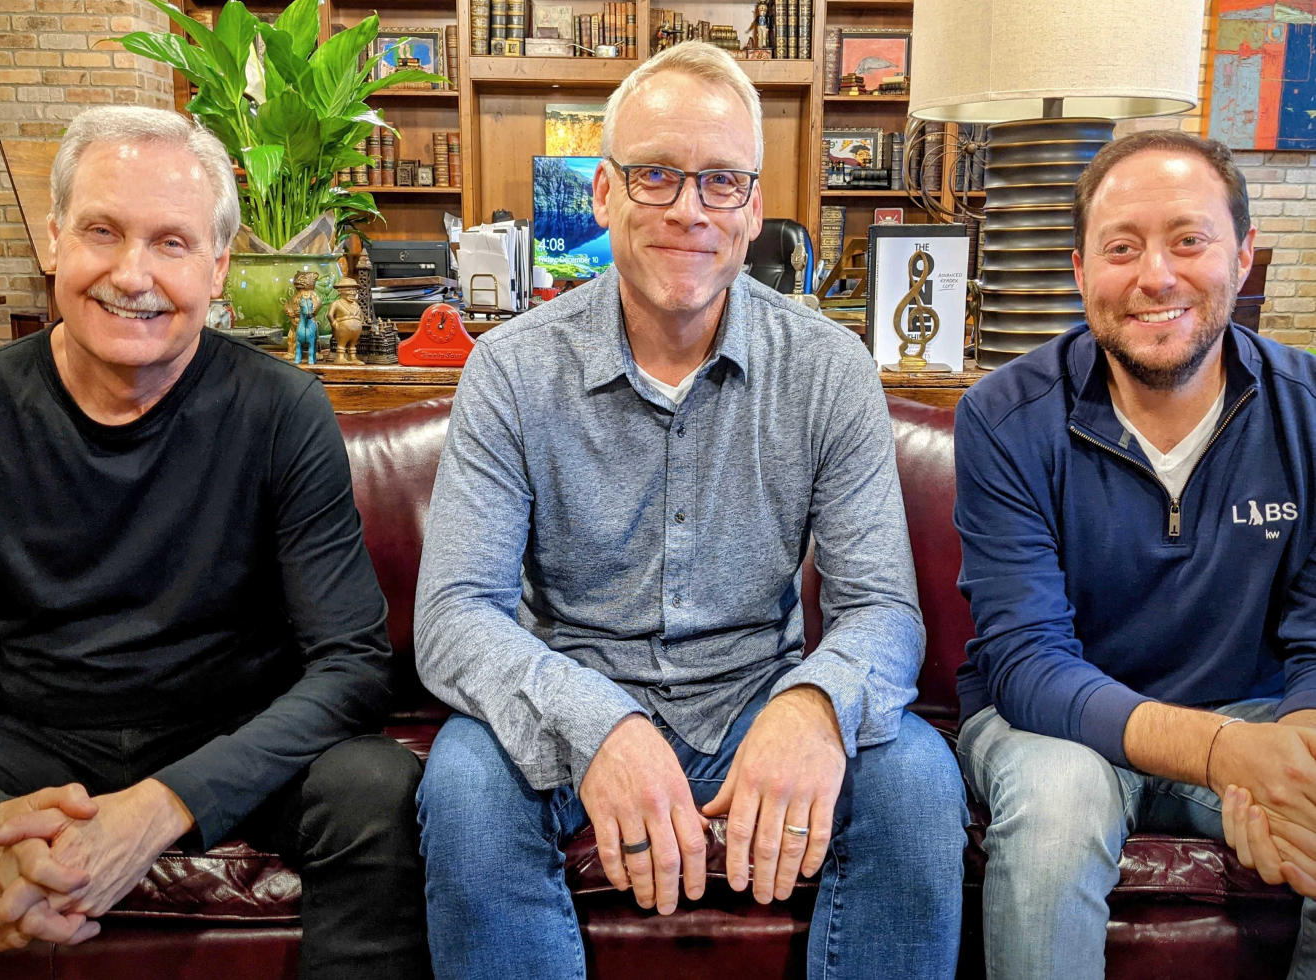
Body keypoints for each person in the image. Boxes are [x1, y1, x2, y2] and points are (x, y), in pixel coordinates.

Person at [414, 40, 966, 980]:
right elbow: (455, 616)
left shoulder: (828, 370)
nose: (687, 209)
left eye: (721, 182)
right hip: (572, 698)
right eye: (656, 175)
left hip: (757, 697)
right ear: (603, 194)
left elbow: (883, 610)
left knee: (916, 777)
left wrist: (815, 707)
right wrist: (600, 724)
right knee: (463, 780)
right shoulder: (509, 370)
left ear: (753, 209)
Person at [0, 106, 429, 978]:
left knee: (376, 790)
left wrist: (164, 806)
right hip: (30, 737)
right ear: (53, 240)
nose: (134, 274)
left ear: (219, 265)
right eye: (101, 232)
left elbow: (352, 666)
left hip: (231, 734)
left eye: (172, 242)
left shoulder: (282, 410)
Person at [953, 129, 1316, 980]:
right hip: (1049, 728)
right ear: (1081, 273)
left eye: (1189, 240)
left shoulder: (1309, 411)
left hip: (1252, 712)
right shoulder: (1004, 418)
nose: (1156, 276)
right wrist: (1225, 754)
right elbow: (1027, 662)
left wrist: (1297, 757)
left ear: (1244, 254)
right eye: (1122, 248)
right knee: (1057, 802)